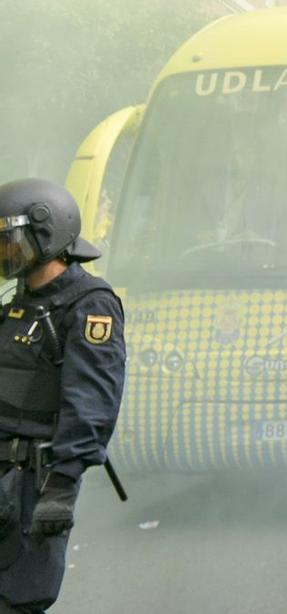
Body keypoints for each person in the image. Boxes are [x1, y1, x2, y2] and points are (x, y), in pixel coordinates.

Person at [0, 178, 123, 614]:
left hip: (35, 480)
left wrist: (62, 488)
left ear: (46, 234)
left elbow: (92, 402)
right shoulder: (19, 303)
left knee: (17, 601)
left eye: (11, 242)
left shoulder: (89, 304)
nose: (5, 254)